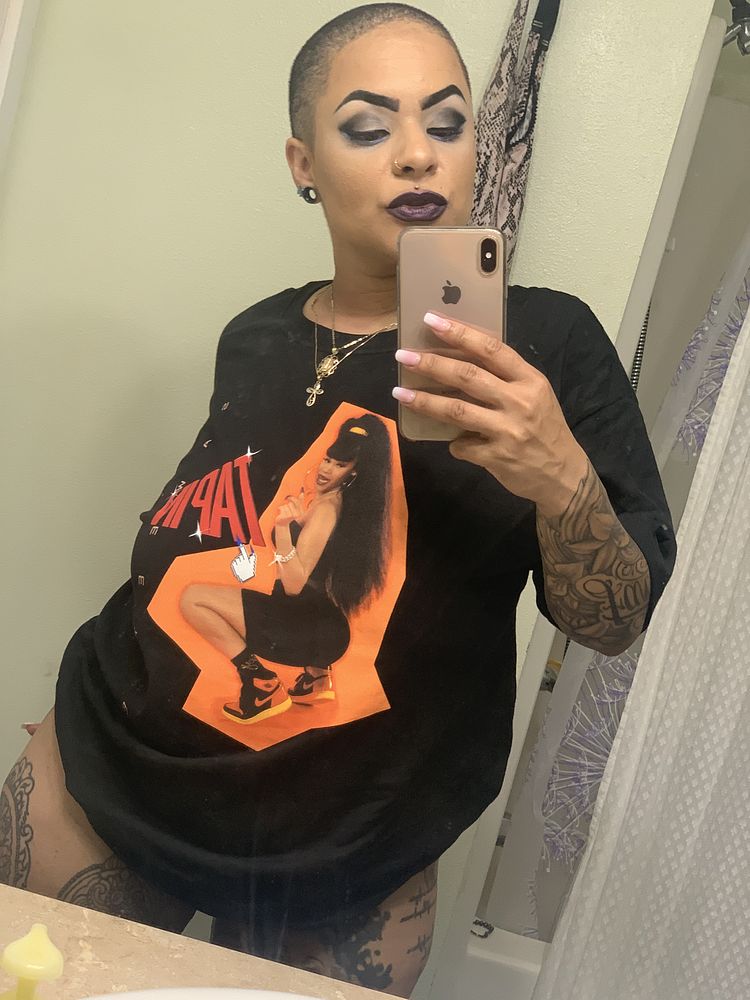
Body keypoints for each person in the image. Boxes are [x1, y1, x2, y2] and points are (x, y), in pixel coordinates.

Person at [0, 4, 676, 997]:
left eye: (446, 122)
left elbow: (610, 622)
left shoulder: (548, 344)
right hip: (111, 774)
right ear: (302, 162)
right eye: (368, 126)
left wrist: (559, 474)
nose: (417, 154)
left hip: (354, 846)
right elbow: (207, 522)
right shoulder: (256, 334)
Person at [179, 412, 393, 722]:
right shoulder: (342, 504)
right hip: (321, 626)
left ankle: (260, 682)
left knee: (193, 600)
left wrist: (282, 528)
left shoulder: (328, 509)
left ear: (355, 472)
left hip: (302, 628)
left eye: (339, 465)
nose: (326, 469)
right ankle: (317, 680)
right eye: (328, 460)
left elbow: (294, 585)